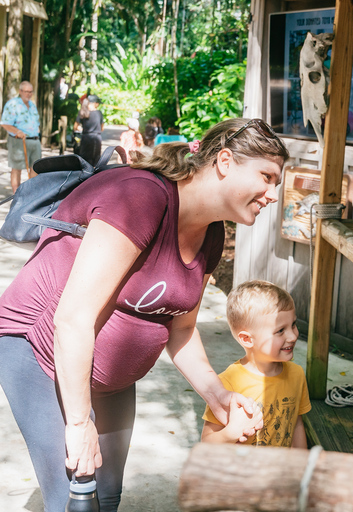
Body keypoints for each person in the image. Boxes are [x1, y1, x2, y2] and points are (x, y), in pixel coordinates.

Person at [0, 117, 289, 511]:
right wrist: (80, 422)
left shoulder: (213, 232)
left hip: (113, 379)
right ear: (224, 161)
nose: (274, 194)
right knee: (74, 500)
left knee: (108, 497)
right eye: (267, 176)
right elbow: (73, 318)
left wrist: (218, 394)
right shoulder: (142, 198)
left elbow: (182, 329)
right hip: (41, 354)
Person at [201, 280, 310, 447]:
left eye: (293, 325)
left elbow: (296, 424)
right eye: (280, 330)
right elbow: (207, 443)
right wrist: (231, 433)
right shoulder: (227, 384)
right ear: (247, 339)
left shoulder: (297, 374)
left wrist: (302, 466)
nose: (293, 336)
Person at [0, 81, 41, 193]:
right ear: (20, 91)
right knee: (16, 169)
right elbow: (4, 123)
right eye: (26, 91)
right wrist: (17, 131)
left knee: (36, 168)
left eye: (30, 92)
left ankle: (31, 195)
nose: (29, 94)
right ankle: (16, 196)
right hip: (19, 141)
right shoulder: (12, 104)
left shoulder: (32, 105)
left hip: (34, 140)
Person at [74, 94, 105, 166]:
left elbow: (75, 127)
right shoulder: (99, 113)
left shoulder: (82, 112)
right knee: (96, 159)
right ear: (95, 103)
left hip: (86, 137)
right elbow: (102, 128)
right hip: (97, 138)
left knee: (84, 159)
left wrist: (82, 129)